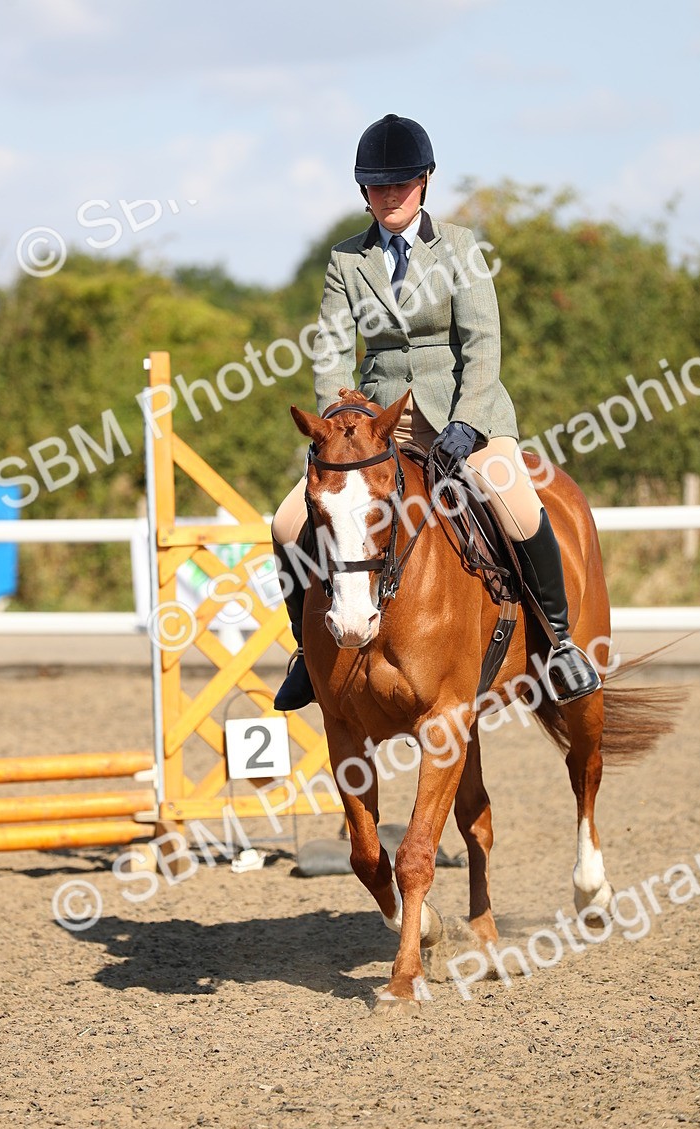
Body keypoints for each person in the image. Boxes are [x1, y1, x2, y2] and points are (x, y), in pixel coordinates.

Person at [272, 113, 601, 711]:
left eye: (401, 183)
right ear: (364, 190)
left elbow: (483, 344)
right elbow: (331, 350)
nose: (390, 195)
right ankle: (306, 653)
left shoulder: (459, 247)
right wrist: (339, 426)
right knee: (287, 522)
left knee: (518, 507)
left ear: (424, 181)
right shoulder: (347, 260)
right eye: (378, 185)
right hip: (377, 424)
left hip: (463, 417)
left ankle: (559, 643)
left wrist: (466, 421)